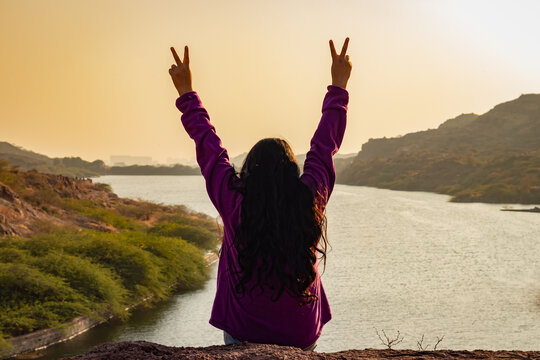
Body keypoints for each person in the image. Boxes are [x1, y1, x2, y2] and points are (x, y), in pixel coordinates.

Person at [168, 38, 352, 351]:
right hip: (301, 334)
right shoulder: (310, 199)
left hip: (244, 331)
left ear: (249, 170)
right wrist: (339, 85)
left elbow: (209, 146)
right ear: (292, 171)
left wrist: (187, 93)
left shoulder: (234, 202)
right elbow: (324, 147)